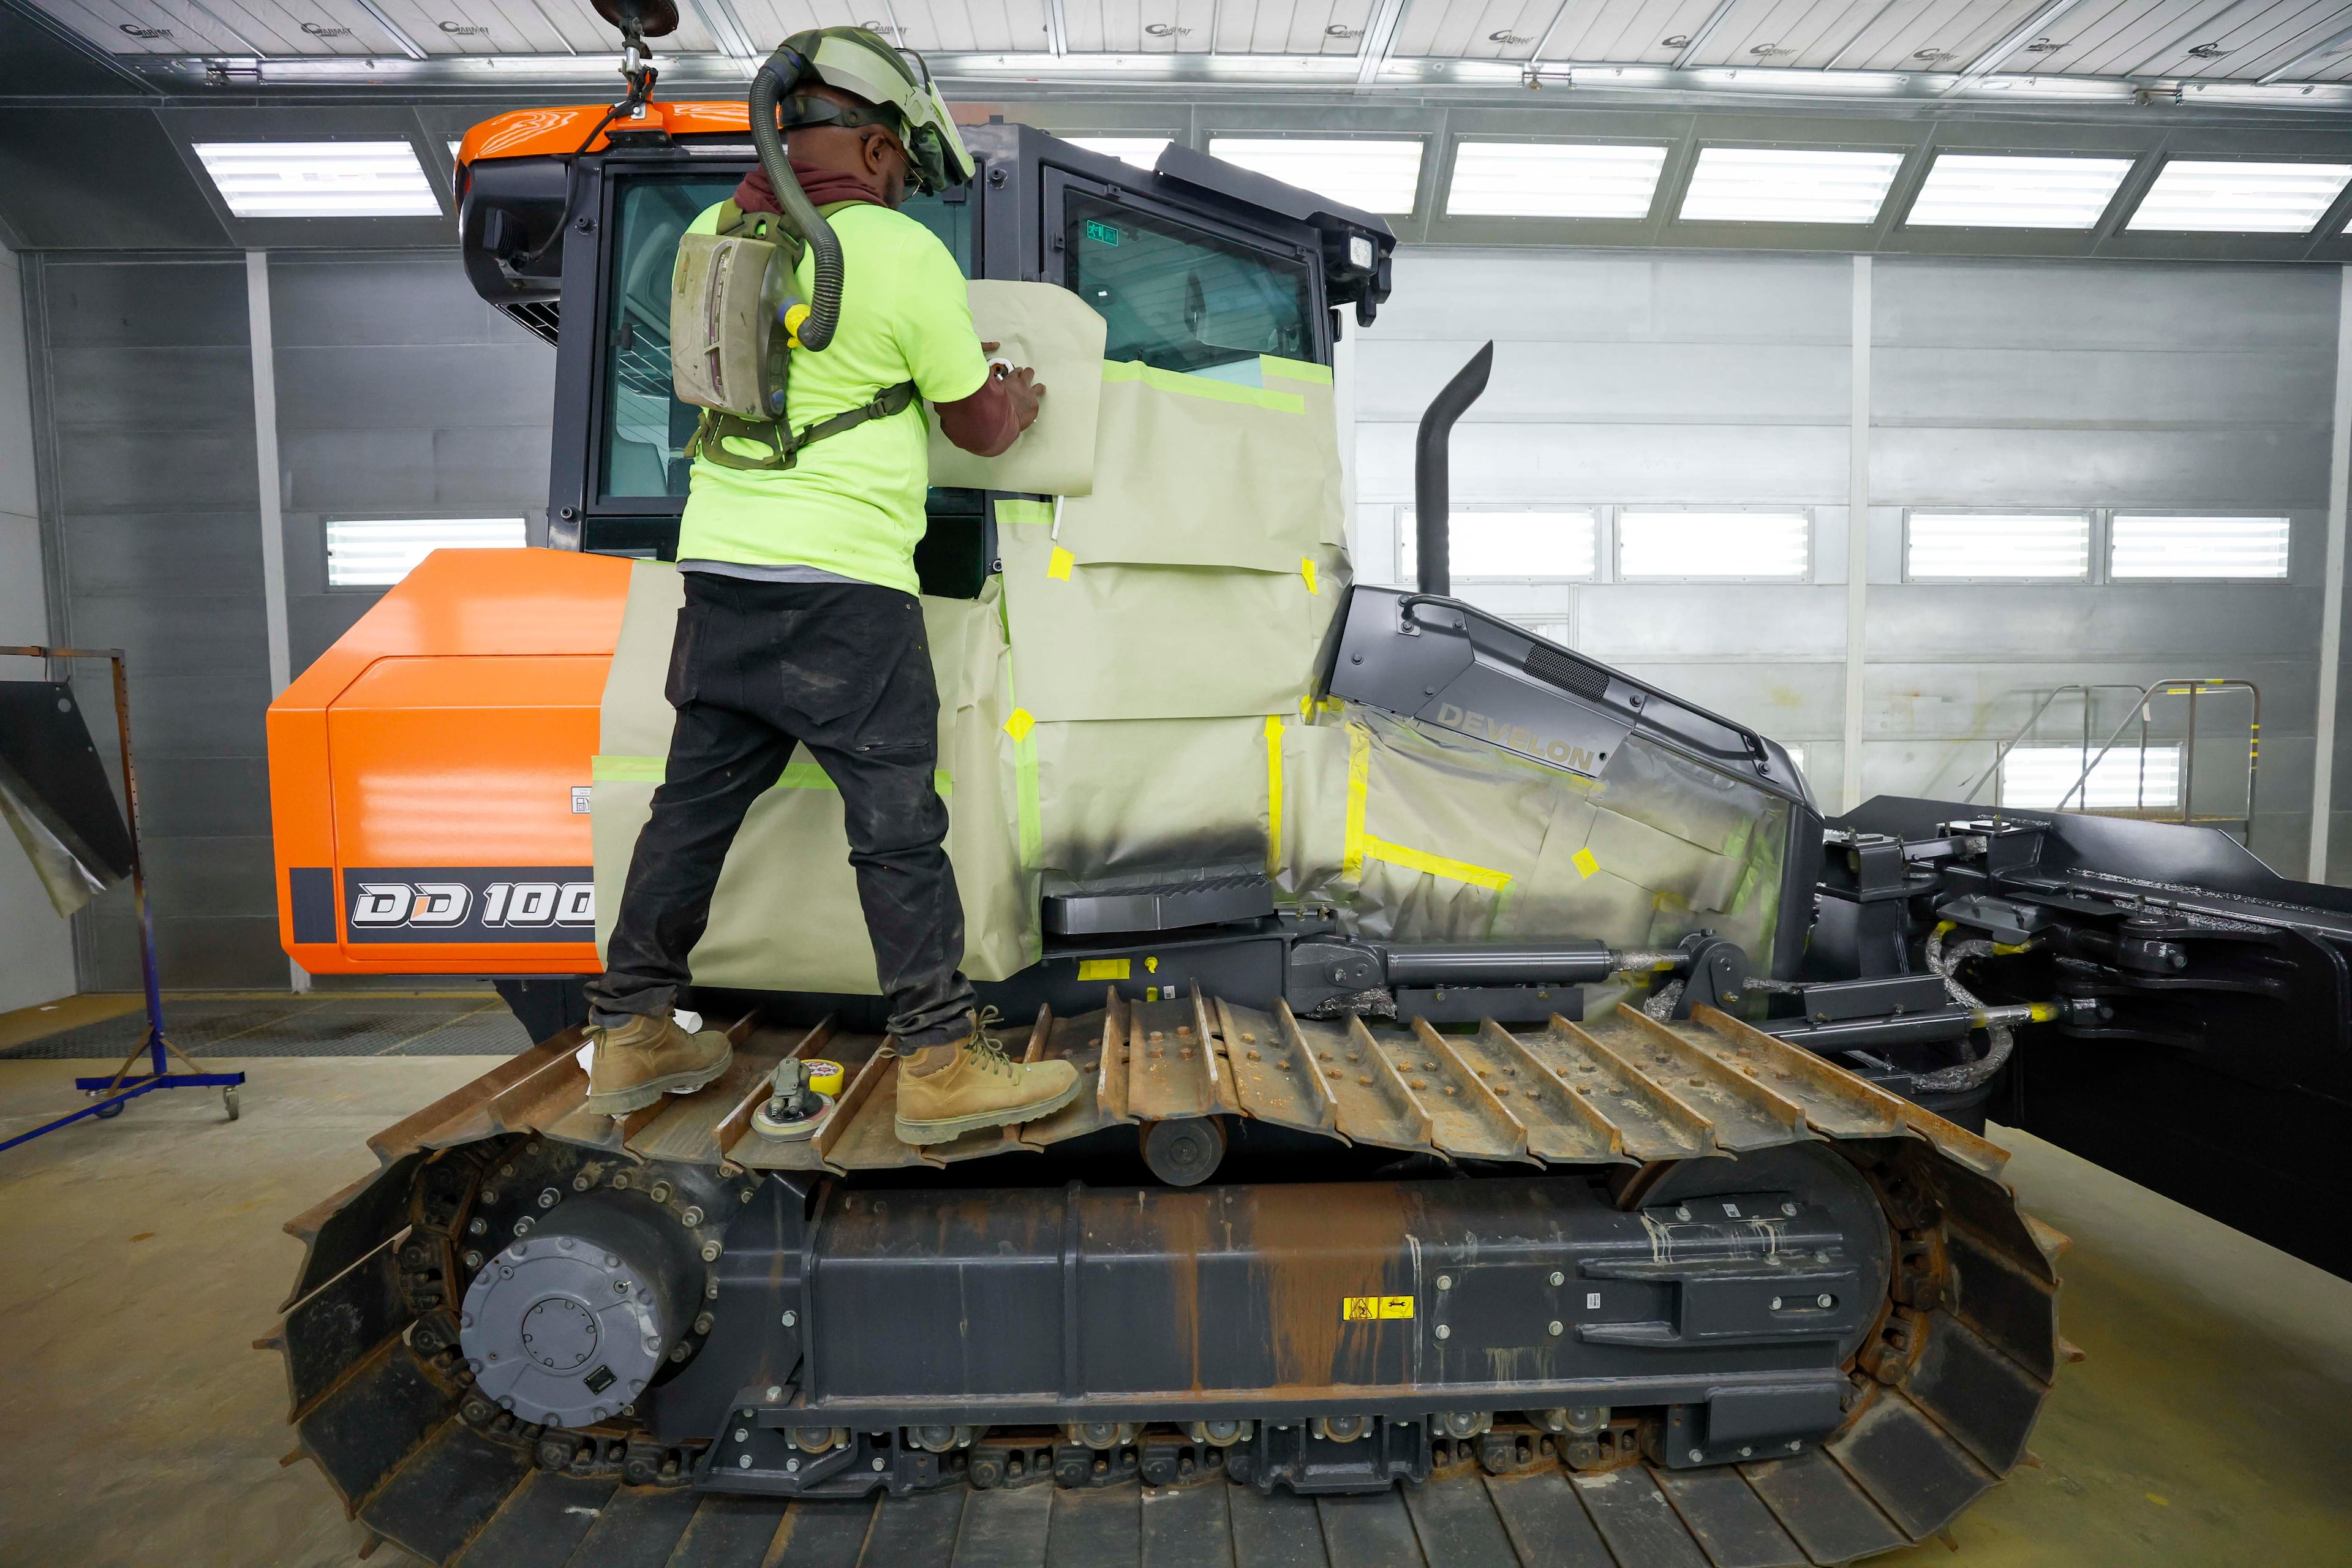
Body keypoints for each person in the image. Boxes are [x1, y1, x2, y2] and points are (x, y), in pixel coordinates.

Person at [581, 29, 1080, 1145]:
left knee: (690, 812)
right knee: (898, 829)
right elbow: (981, 429)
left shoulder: (717, 234)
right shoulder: (898, 255)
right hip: (844, 593)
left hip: (716, 575)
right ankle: (942, 1065)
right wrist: (1020, 392)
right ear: (866, 141)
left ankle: (632, 1029)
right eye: (898, 157)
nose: (903, 177)